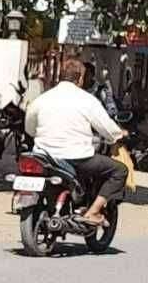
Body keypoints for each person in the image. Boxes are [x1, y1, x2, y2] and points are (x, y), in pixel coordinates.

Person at [25, 56, 129, 226]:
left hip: (43, 156)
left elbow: (30, 129)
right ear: (80, 78)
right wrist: (119, 135)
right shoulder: (87, 100)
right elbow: (107, 129)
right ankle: (93, 212)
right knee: (120, 170)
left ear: (61, 76)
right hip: (77, 158)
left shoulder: (42, 99)